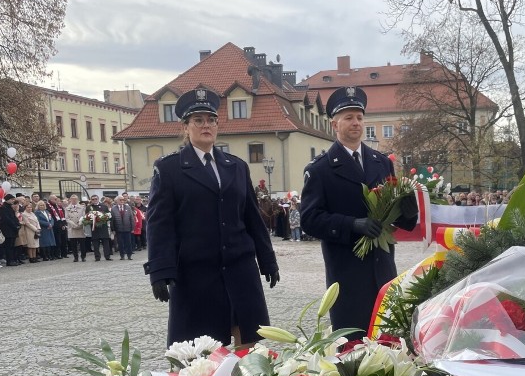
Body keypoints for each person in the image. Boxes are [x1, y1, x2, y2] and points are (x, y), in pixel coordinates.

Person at [144, 88, 280, 346]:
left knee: (248, 351)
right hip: (196, 275)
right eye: (198, 120)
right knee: (199, 357)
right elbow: (159, 223)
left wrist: (268, 261)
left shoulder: (236, 166)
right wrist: (160, 270)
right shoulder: (169, 168)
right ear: (185, 127)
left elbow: (252, 219)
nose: (206, 125)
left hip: (240, 270)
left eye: (211, 120)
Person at [300, 86, 418, 335]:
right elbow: (310, 219)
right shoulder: (321, 169)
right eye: (349, 117)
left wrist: (409, 211)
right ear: (335, 124)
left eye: (360, 117)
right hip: (347, 274)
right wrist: (352, 224)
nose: (356, 123)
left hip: (383, 270)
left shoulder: (382, 162)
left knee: (389, 341)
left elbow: (398, 220)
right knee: (352, 347)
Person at [87, 194, 113, 261]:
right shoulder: (89, 207)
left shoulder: (104, 206)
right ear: (91, 200)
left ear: (98, 199)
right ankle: (97, 257)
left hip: (103, 227)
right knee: (95, 244)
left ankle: (107, 256)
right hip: (94, 228)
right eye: (93, 199)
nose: (94, 200)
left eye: (96, 199)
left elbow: (108, 215)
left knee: (106, 243)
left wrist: (104, 218)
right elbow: (87, 217)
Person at [111, 195, 136, 260]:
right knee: (120, 243)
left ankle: (129, 255)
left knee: (128, 242)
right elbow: (112, 220)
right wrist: (113, 229)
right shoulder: (113, 208)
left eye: (123, 200)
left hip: (127, 228)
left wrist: (133, 228)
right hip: (118, 229)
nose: (122, 201)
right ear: (117, 201)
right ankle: (122, 255)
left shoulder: (128, 207)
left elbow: (131, 218)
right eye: (120, 200)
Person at [65, 194, 87, 262]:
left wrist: (80, 224)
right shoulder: (67, 208)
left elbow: (84, 216)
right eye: (72, 199)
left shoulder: (82, 207)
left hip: (80, 227)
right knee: (73, 244)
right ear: (70, 200)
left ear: (77, 200)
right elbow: (67, 218)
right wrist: (73, 225)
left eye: (75, 199)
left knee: (82, 244)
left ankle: (83, 257)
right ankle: (75, 257)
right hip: (72, 228)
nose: (74, 200)